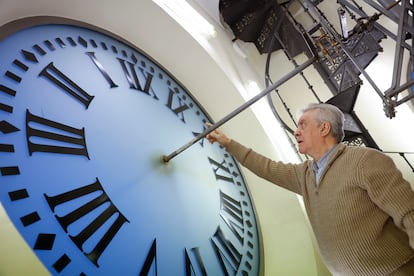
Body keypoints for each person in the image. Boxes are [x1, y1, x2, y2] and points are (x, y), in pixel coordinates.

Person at [206, 103, 414, 275]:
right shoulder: (304, 174)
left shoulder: (364, 160)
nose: (296, 131)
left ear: (324, 128)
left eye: (303, 125)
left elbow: (409, 212)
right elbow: (266, 168)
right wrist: (228, 143)